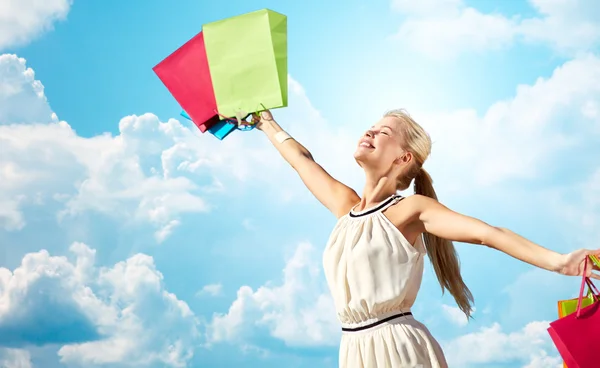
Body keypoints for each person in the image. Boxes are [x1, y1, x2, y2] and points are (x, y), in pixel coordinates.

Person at [251, 108, 600, 368]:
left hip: (398, 347)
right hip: (353, 348)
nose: (369, 132)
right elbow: (301, 160)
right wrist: (263, 119)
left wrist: (559, 262)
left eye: (383, 132)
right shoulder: (345, 208)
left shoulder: (410, 210)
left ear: (403, 158)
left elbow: (487, 234)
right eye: (370, 127)